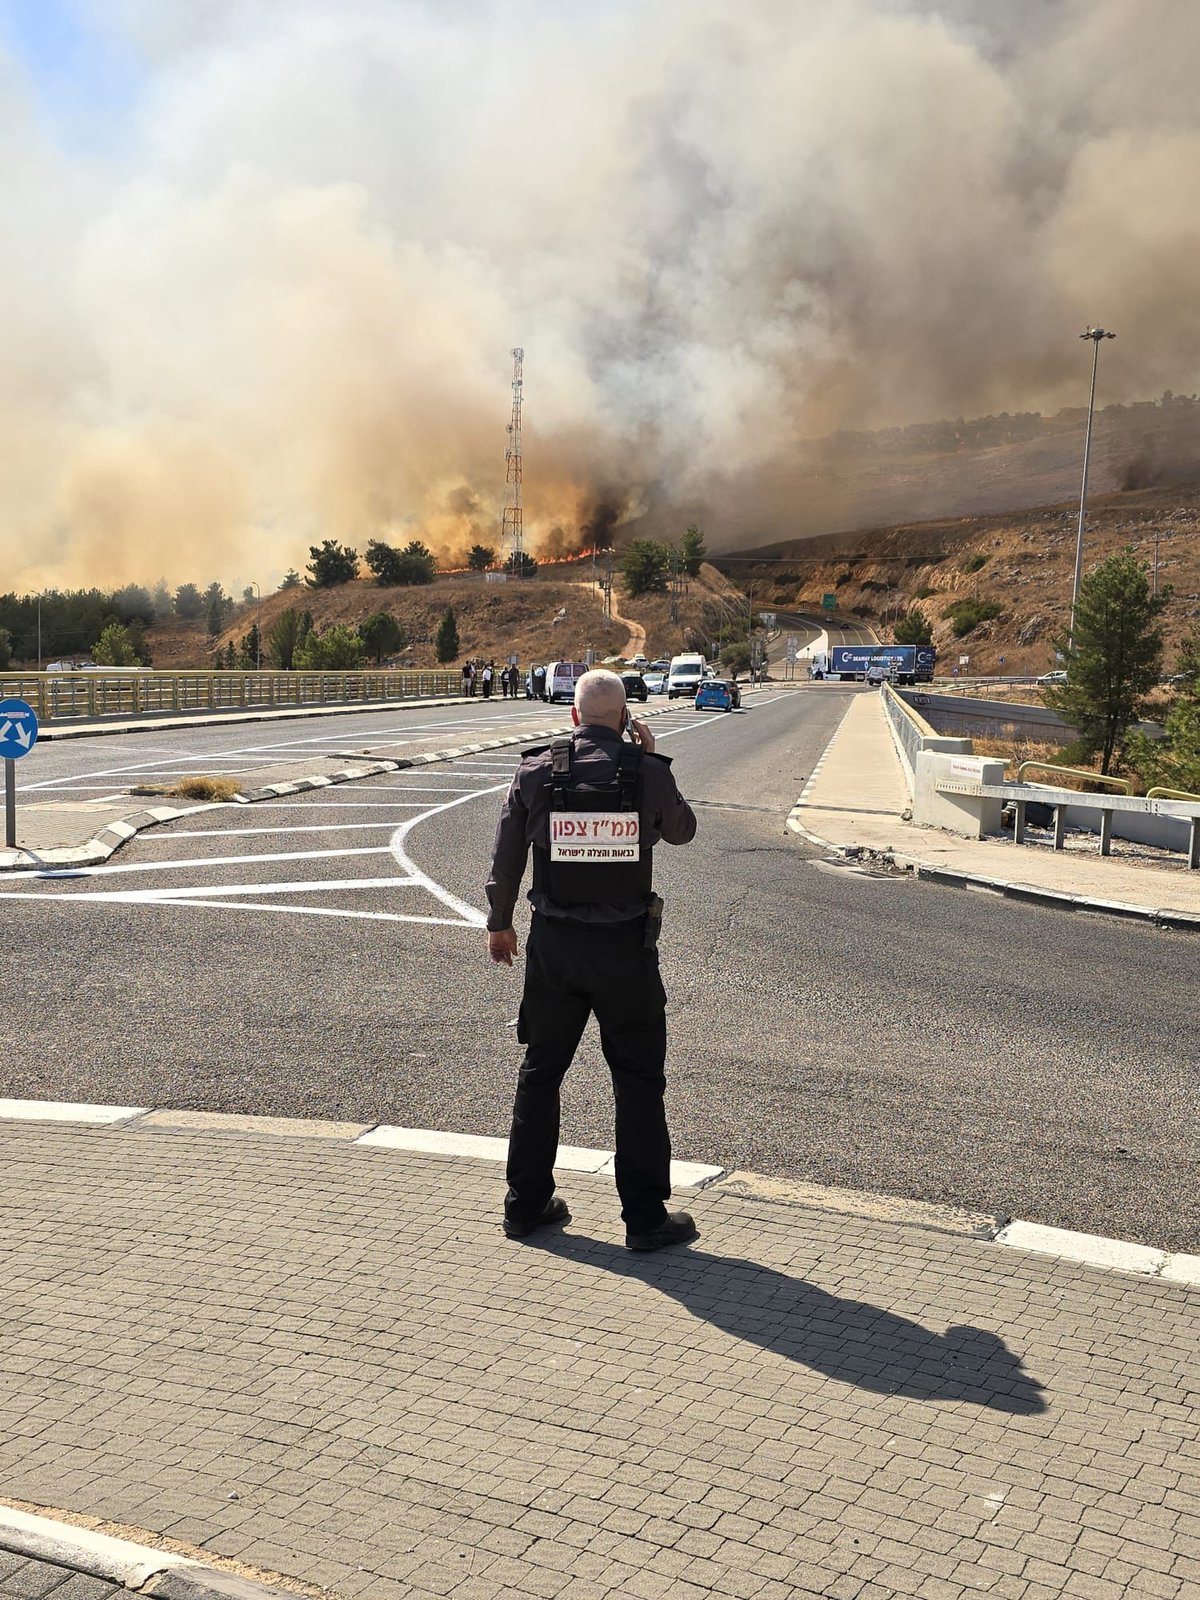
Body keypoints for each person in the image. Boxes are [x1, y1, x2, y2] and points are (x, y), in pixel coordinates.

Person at [485, 669, 699, 1252]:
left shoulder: (535, 772)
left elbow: (507, 857)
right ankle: (645, 1218)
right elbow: (682, 831)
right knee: (637, 1079)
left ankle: (526, 1207)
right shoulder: (646, 773)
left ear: (574, 716)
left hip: (553, 947)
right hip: (626, 950)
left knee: (542, 1070)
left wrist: (499, 923)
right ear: (626, 719)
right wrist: (655, 763)